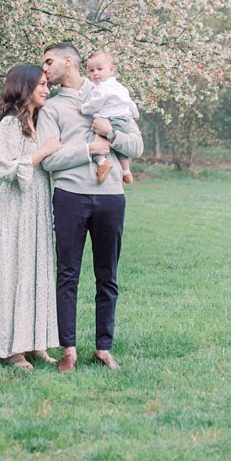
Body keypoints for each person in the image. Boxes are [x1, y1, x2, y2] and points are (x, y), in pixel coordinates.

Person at [38, 42, 144, 372]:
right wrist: (88, 148)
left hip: (111, 197)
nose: (44, 69)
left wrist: (110, 132)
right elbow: (48, 161)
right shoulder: (51, 109)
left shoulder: (110, 93)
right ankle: (68, 348)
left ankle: (103, 347)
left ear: (68, 61)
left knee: (107, 276)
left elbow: (137, 146)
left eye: (49, 62)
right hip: (70, 196)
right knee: (67, 274)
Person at [0, 64, 62, 370]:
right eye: (41, 84)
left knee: (36, 271)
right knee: (13, 273)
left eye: (47, 84)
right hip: (15, 207)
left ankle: (35, 343)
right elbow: (4, 168)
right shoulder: (9, 126)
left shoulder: (41, 121)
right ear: (25, 87)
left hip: (37, 204)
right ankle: (11, 348)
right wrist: (42, 153)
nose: (46, 89)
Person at [81, 49, 139, 185]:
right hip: (124, 119)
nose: (95, 73)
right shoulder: (120, 87)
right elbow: (129, 102)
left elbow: (95, 104)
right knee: (121, 148)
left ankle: (102, 162)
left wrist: (83, 108)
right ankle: (126, 171)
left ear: (112, 70)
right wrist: (134, 115)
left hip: (111, 120)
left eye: (99, 69)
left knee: (94, 140)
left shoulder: (102, 87)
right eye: (91, 70)